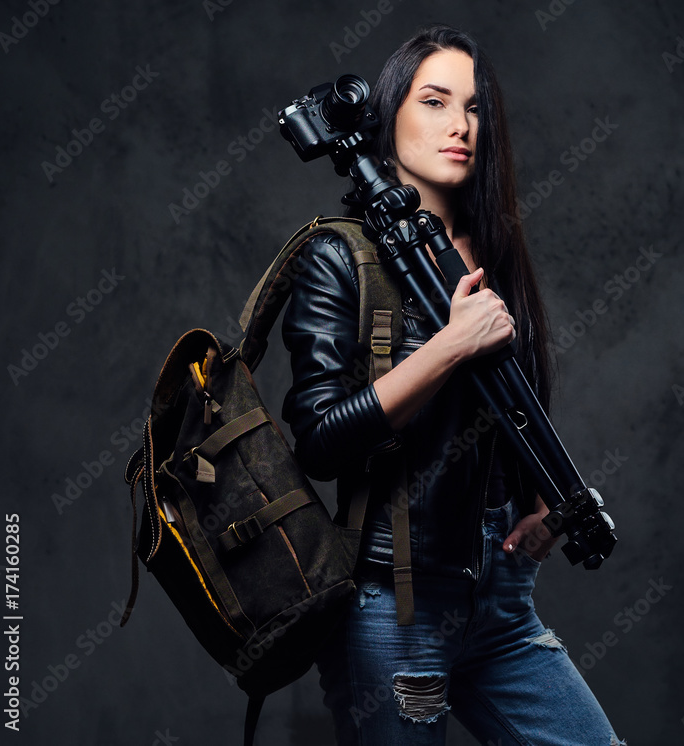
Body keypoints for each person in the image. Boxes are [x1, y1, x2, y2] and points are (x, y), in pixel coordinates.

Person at [281, 23, 625, 746]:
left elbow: (511, 393)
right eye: (435, 101)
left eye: (473, 107)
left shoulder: (495, 246)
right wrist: (447, 346)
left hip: (499, 599)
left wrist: (538, 504)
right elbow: (317, 440)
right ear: (387, 114)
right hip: (394, 600)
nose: (460, 125)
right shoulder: (337, 257)